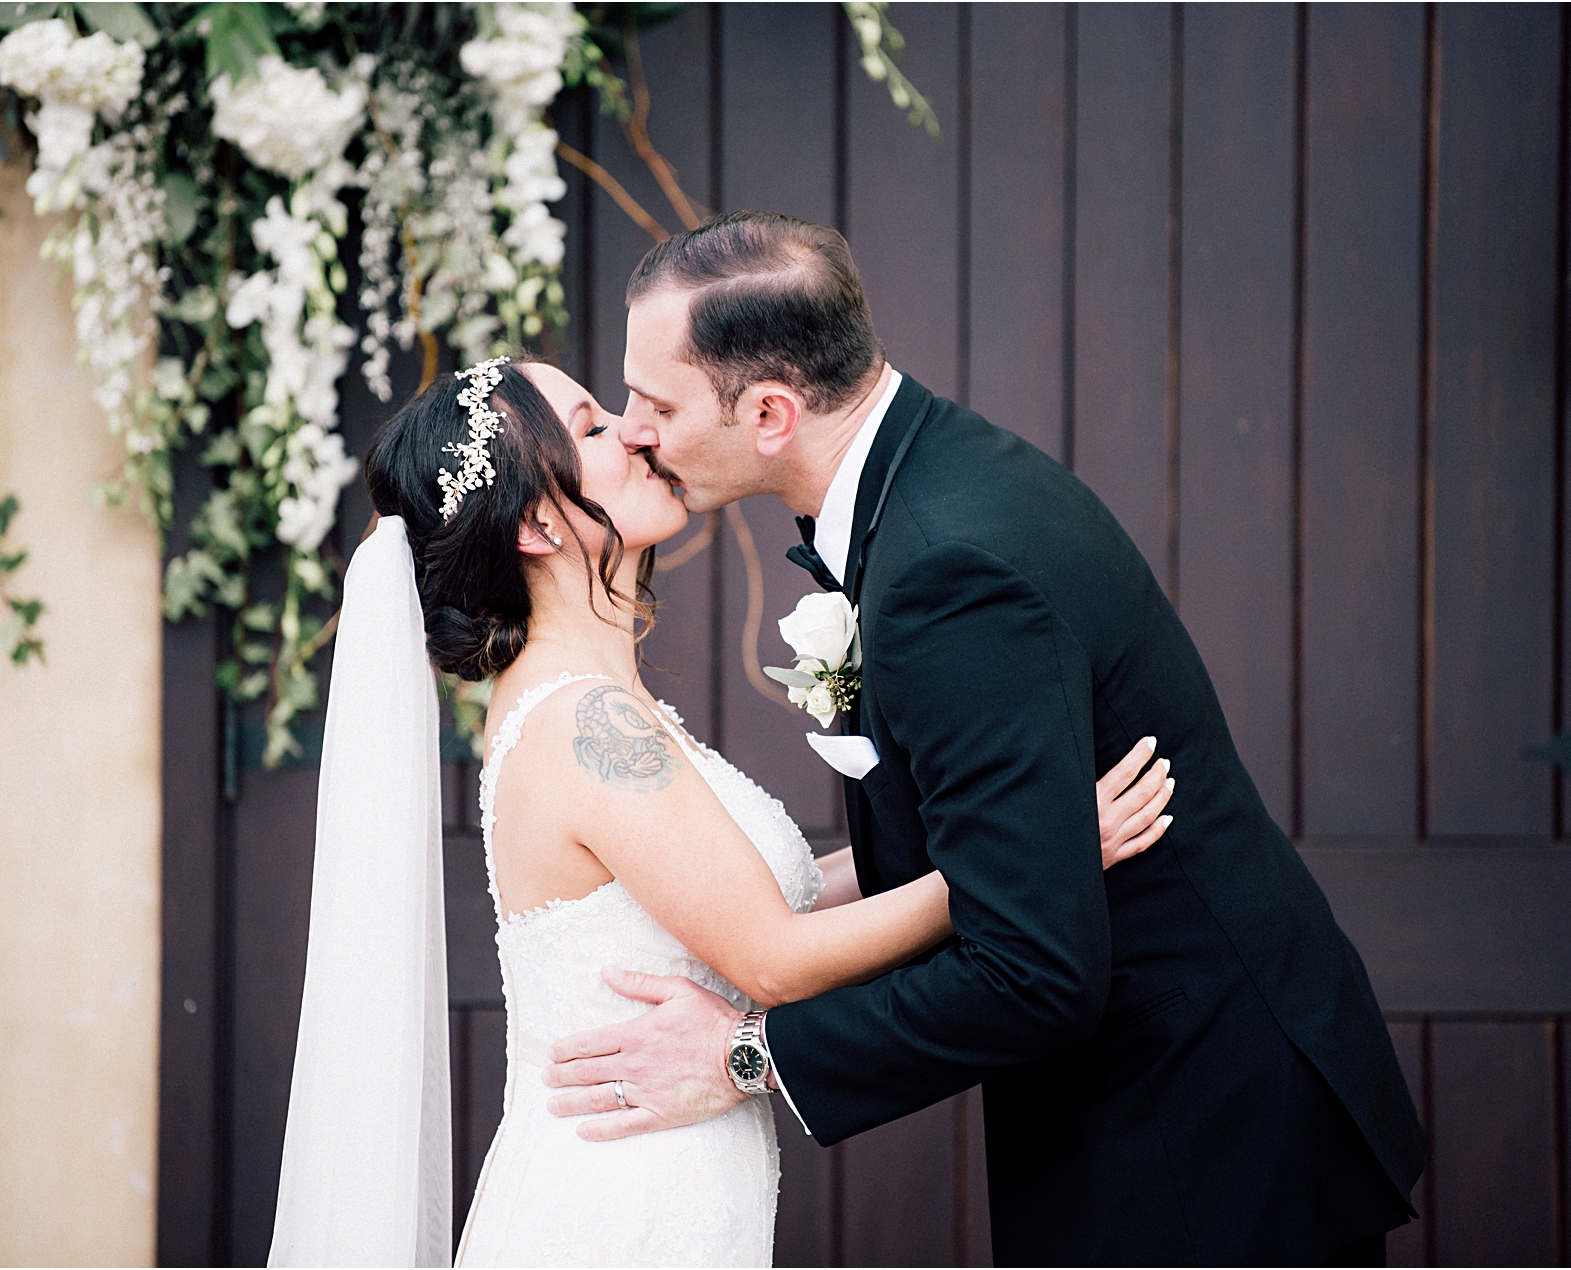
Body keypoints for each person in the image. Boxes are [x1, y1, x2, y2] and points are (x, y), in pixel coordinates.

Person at [540, 211, 1428, 1267]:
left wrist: (744, 1056)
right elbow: (981, 864)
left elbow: (1034, 970)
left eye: (656, 403)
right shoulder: (930, 479)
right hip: (1197, 1098)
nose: (637, 431)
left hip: (1196, 1145)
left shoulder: (943, 570)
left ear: (771, 412)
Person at [266, 354, 1175, 1267]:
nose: (631, 432)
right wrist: (1036, 855)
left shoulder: (585, 701)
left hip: (664, 1180)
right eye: (590, 428)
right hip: (618, 1212)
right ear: (539, 521)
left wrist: (1004, 824)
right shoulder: (583, 722)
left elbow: (766, 903)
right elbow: (776, 958)